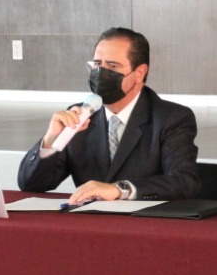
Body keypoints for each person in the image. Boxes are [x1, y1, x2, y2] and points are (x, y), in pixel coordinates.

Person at [18, 27, 200, 203]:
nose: (100, 73)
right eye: (97, 64)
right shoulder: (80, 116)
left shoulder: (172, 118)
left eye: (112, 66)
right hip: (90, 220)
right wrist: (51, 140)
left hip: (146, 220)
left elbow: (184, 182)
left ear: (139, 73)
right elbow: (31, 184)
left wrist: (119, 190)